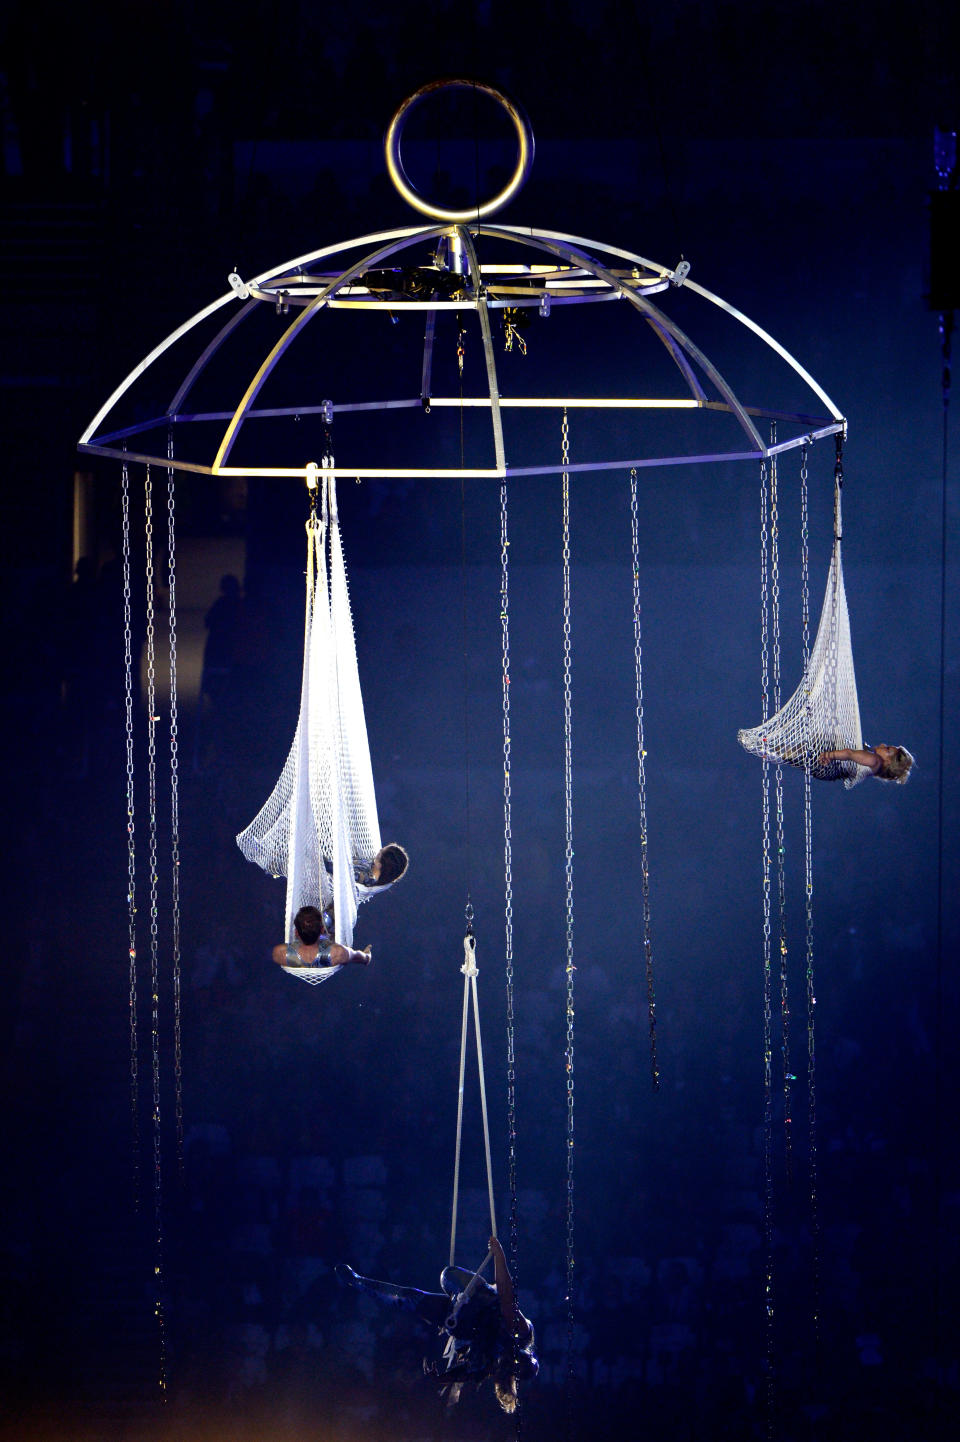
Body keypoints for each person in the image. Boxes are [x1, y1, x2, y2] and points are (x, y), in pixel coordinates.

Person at [336, 1235, 537, 1412]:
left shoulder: (496, 1364)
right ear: (527, 1353)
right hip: (474, 1298)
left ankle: (357, 1281)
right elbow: (506, 1294)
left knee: (409, 1298)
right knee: (446, 1276)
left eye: (515, 1364)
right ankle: (358, 1281)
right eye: (521, 1358)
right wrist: (499, 1255)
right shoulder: (520, 1331)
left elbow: (471, 1371)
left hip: (460, 1320)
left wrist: (444, 1377)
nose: (514, 1358)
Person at [273, 905, 372, 969]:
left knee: (325, 918)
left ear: (295, 933)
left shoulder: (279, 953)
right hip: (328, 946)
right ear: (322, 930)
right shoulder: (338, 953)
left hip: (317, 945)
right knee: (329, 917)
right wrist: (367, 956)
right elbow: (359, 957)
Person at [817, 744, 914, 784]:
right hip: (827, 768)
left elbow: (849, 753)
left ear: (888, 762)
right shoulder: (874, 769)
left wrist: (829, 755)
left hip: (823, 755)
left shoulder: (875, 760)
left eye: (887, 749)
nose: (883, 745)